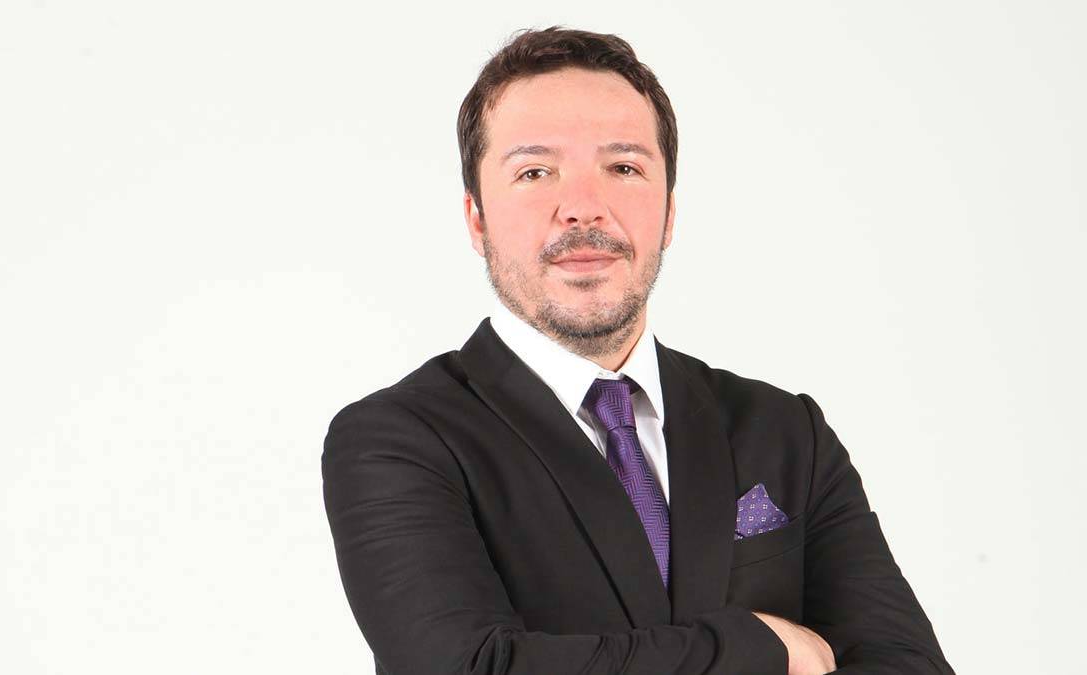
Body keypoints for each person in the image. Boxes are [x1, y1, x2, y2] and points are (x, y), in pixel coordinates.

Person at [322, 27, 954, 675]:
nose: (582, 208)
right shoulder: (398, 440)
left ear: (669, 212)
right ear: (477, 219)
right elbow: (470, 668)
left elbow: (909, 667)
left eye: (623, 167)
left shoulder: (786, 431)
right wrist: (760, 646)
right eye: (535, 172)